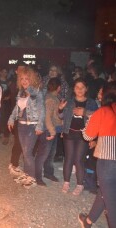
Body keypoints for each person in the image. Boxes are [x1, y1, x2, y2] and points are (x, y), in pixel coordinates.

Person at [78, 81, 116, 228]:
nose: (99, 94)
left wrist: (87, 120)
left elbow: (87, 135)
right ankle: (88, 221)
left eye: (101, 91)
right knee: (106, 192)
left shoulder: (103, 111)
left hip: (108, 163)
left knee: (112, 205)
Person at [8, 66, 45, 189]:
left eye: (27, 78)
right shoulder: (21, 92)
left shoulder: (36, 92)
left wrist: (39, 126)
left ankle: (31, 178)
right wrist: (11, 119)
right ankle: (27, 175)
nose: (24, 81)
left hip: (31, 126)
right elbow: (17, 108)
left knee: (28, 153)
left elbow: (42, 110)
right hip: (21, 125)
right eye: (22, 78)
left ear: (32, 79)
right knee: (25, 152)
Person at [59, 78, 98, 195]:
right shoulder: (69, 101)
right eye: (77, 87)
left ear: (86, 89)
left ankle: (80, 184)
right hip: (69, 133)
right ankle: (66, 182)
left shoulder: (91, 102)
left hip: (84, 135)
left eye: (82, 87)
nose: (80, 90)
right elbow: (61, 117)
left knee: (79, 159)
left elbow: (97, 118)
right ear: (74, 89)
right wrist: (60, 109)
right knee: (69, 158)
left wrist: (85, 112)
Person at [42, 77, 62, 183]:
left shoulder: (53, 97)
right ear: (58, 87)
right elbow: (48, 117)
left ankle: (47, 172)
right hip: (50, 129)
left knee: (49, 153)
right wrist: (53, 131)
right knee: (49, 153)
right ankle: (48, 173)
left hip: (53, 128)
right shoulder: (51, 99)